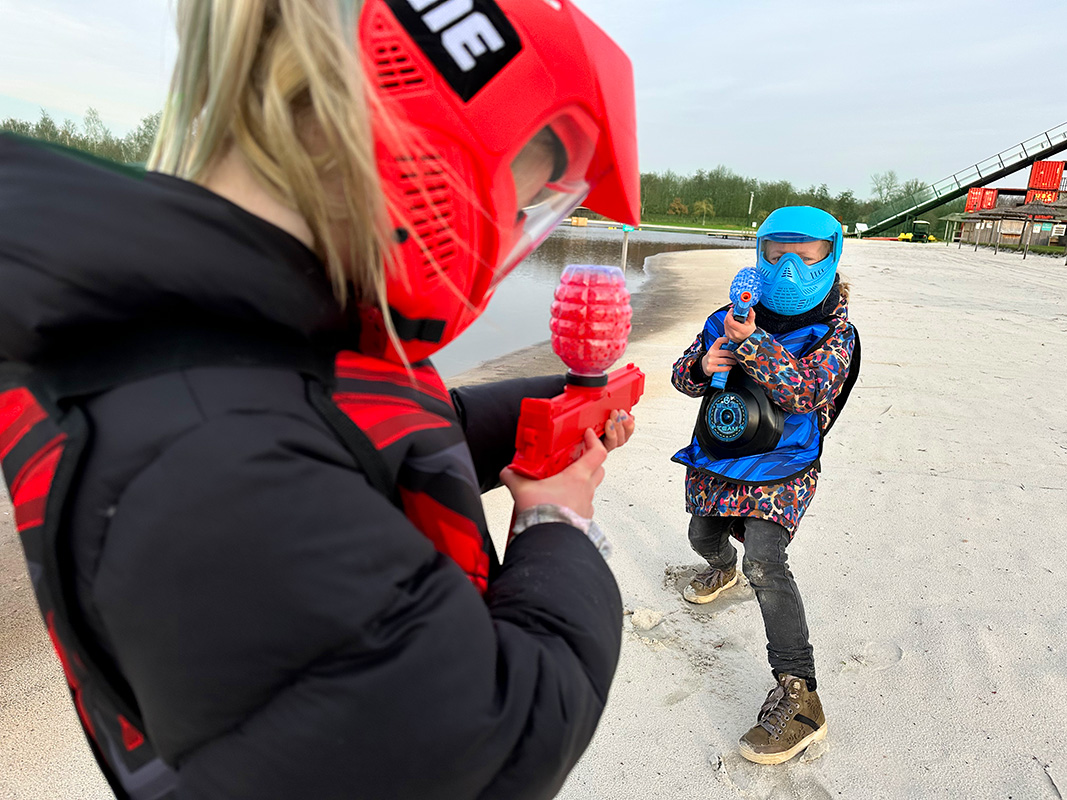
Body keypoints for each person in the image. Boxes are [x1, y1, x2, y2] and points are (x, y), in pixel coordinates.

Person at [0, 1, 640, 798]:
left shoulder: (256, 319)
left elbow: (363, 440)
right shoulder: (204, 456)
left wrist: (548, 409)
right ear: (421, 155)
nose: (509, 234)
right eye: (518, 202)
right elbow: (490, 747)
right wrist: (559, 527)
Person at [670, 206, 861, 765]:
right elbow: (682, 378)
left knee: (765, 561)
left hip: (783, 466)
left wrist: (752, 345)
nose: (791, 268)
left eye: (809, 255)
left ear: (831, 257)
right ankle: (718, 566)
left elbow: (804, 393)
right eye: (778, 254)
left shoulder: (835, 334)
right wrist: (708, 361)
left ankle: (801, 696)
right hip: (719, 455)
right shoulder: (728, 315)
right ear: (759, 254)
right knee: (702, 536)